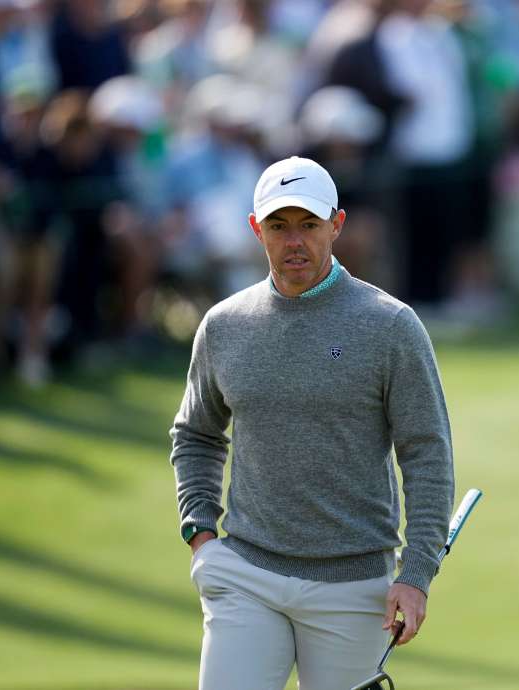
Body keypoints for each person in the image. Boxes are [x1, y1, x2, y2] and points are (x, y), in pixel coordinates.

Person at [169, 156, 455, 690]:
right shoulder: (224, 325)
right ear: (256, 229)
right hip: (246, 572)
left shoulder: (390, 325)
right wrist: (201, 534)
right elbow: (196, 434)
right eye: (279, 226)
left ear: (336, 225)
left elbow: (426, 453)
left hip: (353, 586)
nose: (294, 241)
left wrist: (416, 574)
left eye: (309, 224)